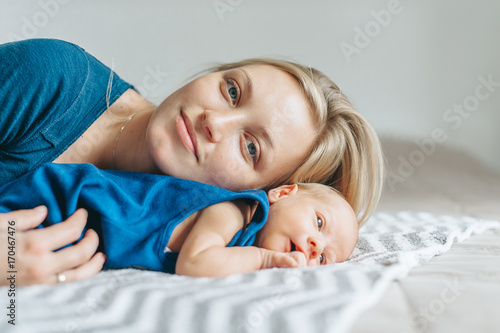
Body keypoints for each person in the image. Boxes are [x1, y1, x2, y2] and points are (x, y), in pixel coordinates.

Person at [0, 38, 383, 285]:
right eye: (232, 90)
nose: (213, 121)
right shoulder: (53, 79)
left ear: (260, 198)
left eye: (251, 148)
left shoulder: (184, 231)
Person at [0, 163, 358, 281]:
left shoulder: (246, 241)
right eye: (319, 223)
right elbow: (195, 262)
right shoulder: (238, 209)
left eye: (324, 258)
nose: (314, 246)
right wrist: (267, 260)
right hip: (65, 197)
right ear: (282, 193)